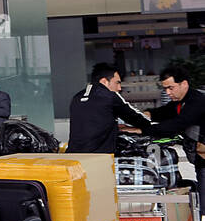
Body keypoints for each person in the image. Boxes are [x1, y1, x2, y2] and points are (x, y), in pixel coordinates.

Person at [147, 65, 205, 204]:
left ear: (184, 84)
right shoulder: (180, 102)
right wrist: (146, 115)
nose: (167, 92)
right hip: (200, 159)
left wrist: (145, 129)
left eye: (171, 88)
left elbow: (178, 123)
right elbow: (164, 112)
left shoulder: (197, 101)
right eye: (165, 88)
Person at [68, 63, 152, 154]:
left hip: (74, 156)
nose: (119, 88)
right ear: (104, 81)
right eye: (117, 83)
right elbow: (136, 118)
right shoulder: (109, 96)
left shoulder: (76, 97)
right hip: (99, 158)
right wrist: (152, 126)